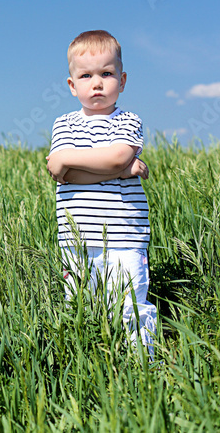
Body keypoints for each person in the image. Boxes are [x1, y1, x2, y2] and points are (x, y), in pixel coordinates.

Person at [45, 30, 157, 356]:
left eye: (106, 74)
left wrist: (77, 160)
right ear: (72, 85)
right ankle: (91, 367)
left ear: (122, 81)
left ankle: (143, 371)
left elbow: (116, 156)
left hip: (124, 238)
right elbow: (60, 172)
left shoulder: (127, 120)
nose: (97, 83)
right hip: (78, 241)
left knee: (130, 307)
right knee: (81, 309)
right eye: (86, 76)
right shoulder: (64, 124)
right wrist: (121, 171)